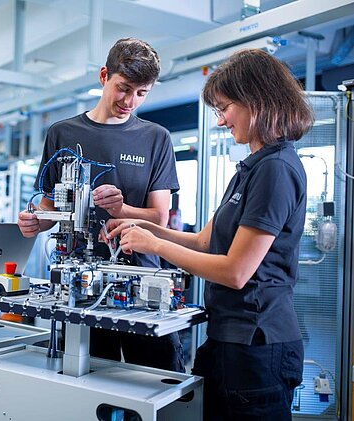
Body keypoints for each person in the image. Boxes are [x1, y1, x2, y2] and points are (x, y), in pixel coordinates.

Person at [103, 48, 313, 420]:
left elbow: (236, 271)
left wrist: (153, 244)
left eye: (225, 108)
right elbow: (203, 241)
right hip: (227, 340)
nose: (220, 122)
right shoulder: (251, 168)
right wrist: (143, 227)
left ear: (257, 99)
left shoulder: (276, 169)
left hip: (256, 345)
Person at [17, 38, 183, 372]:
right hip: (80, 286)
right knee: (86, 379)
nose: (130, 101)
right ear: (104, 75)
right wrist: (36, 220)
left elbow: (160, 217)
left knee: (157, 378)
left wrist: (122, 209)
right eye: (124, 88)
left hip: (139, 282)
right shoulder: (62, 133)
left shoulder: (156, 138)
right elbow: (52, 205)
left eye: (142, 93)